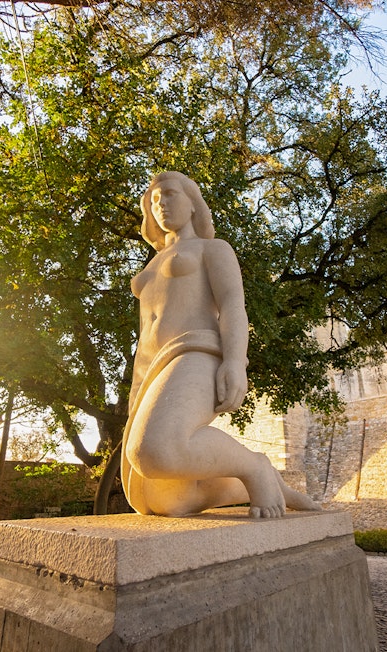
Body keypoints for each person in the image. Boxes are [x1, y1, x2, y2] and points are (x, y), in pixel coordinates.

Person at [121, 171, 320, 518]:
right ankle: (262, 483)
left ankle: (255, 467)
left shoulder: (212, 249)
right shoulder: (153, 263)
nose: (160, 204)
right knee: (162, 499)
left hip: (195, 352)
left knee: (156, 450)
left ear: (193, 202)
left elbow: (232, 304)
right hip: (151, 369)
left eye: (169, 194)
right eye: (153, 201)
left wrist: (234, 361)